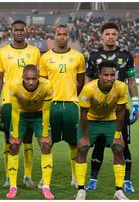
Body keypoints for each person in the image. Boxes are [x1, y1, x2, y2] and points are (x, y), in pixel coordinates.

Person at [85, 22, 139, 193]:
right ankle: (93, 179)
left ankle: (127, 180)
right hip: (98, 109)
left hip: (119, 108)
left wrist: (136, 103)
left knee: (123, 145)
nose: (110, 36)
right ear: (102, 35)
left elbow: (131, 81)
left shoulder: (126, 56)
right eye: (107, 34)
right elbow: (88, 81)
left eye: (113, 34)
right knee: (99, 144)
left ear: (117, 36)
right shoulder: (93, 56)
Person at [38, 25, 85, 189]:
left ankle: (74, 177)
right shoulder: (45, 58)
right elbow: (42, 84)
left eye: (65, 34)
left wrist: (71, 95)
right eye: (59, 34)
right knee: (47, 142)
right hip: (51, 105)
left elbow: (80, 82)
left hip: (71, 105)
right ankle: (45, 178)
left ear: (68, 37)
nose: (62, 37)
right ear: (54, 37)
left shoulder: (78, 57)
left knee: (74, 143)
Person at [75, 61, 129, 200]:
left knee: (118, 149)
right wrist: (85, 136)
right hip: (90, 121)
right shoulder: (89, 89)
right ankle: (81, 190)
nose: (110, 78)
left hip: (110, 120)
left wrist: (118, 135)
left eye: (112, 75)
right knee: (83, 148)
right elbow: (83, 113)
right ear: (99, 75)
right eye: (106, 75)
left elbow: (121, 111)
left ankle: (119, 191)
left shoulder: (121, 87)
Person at [0, 20, 40, 187]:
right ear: (12, 32)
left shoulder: (35, 52)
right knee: (9, 138)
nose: (19, 32)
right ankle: (9, 176)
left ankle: (27, 177)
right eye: (16, 30)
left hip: (30, 102)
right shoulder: (3, 52)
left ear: (26, 31)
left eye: (22, 30)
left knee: (28, 139)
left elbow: (39, 78)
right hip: (9, 101)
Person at [6, 65, 54, 199]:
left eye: (34, 79)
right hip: (21, 115)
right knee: (14, 146)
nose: (31, 82)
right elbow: (15, 111)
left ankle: (46, 187)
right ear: (23, 77)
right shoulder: (14, 86)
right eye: (27, 79)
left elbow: (46, 111)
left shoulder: (47, 86)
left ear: (38, 77)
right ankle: (13, 186)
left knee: (46, 145)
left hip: (39, 115)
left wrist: (45, 134)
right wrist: (15, 136)